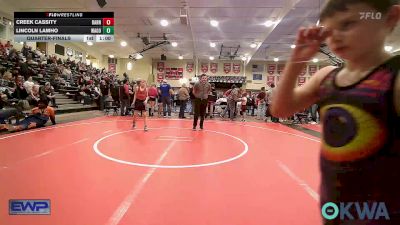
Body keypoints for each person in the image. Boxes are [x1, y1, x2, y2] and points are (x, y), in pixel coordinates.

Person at [271, 0, 400, 224]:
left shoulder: (394, 79)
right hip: (334, 202)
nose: (335, 37)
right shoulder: (327, 76)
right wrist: (297, 60)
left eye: (348, 24)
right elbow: (281, 109)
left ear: (390, 18)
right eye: (328, 31)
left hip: (384, 210)